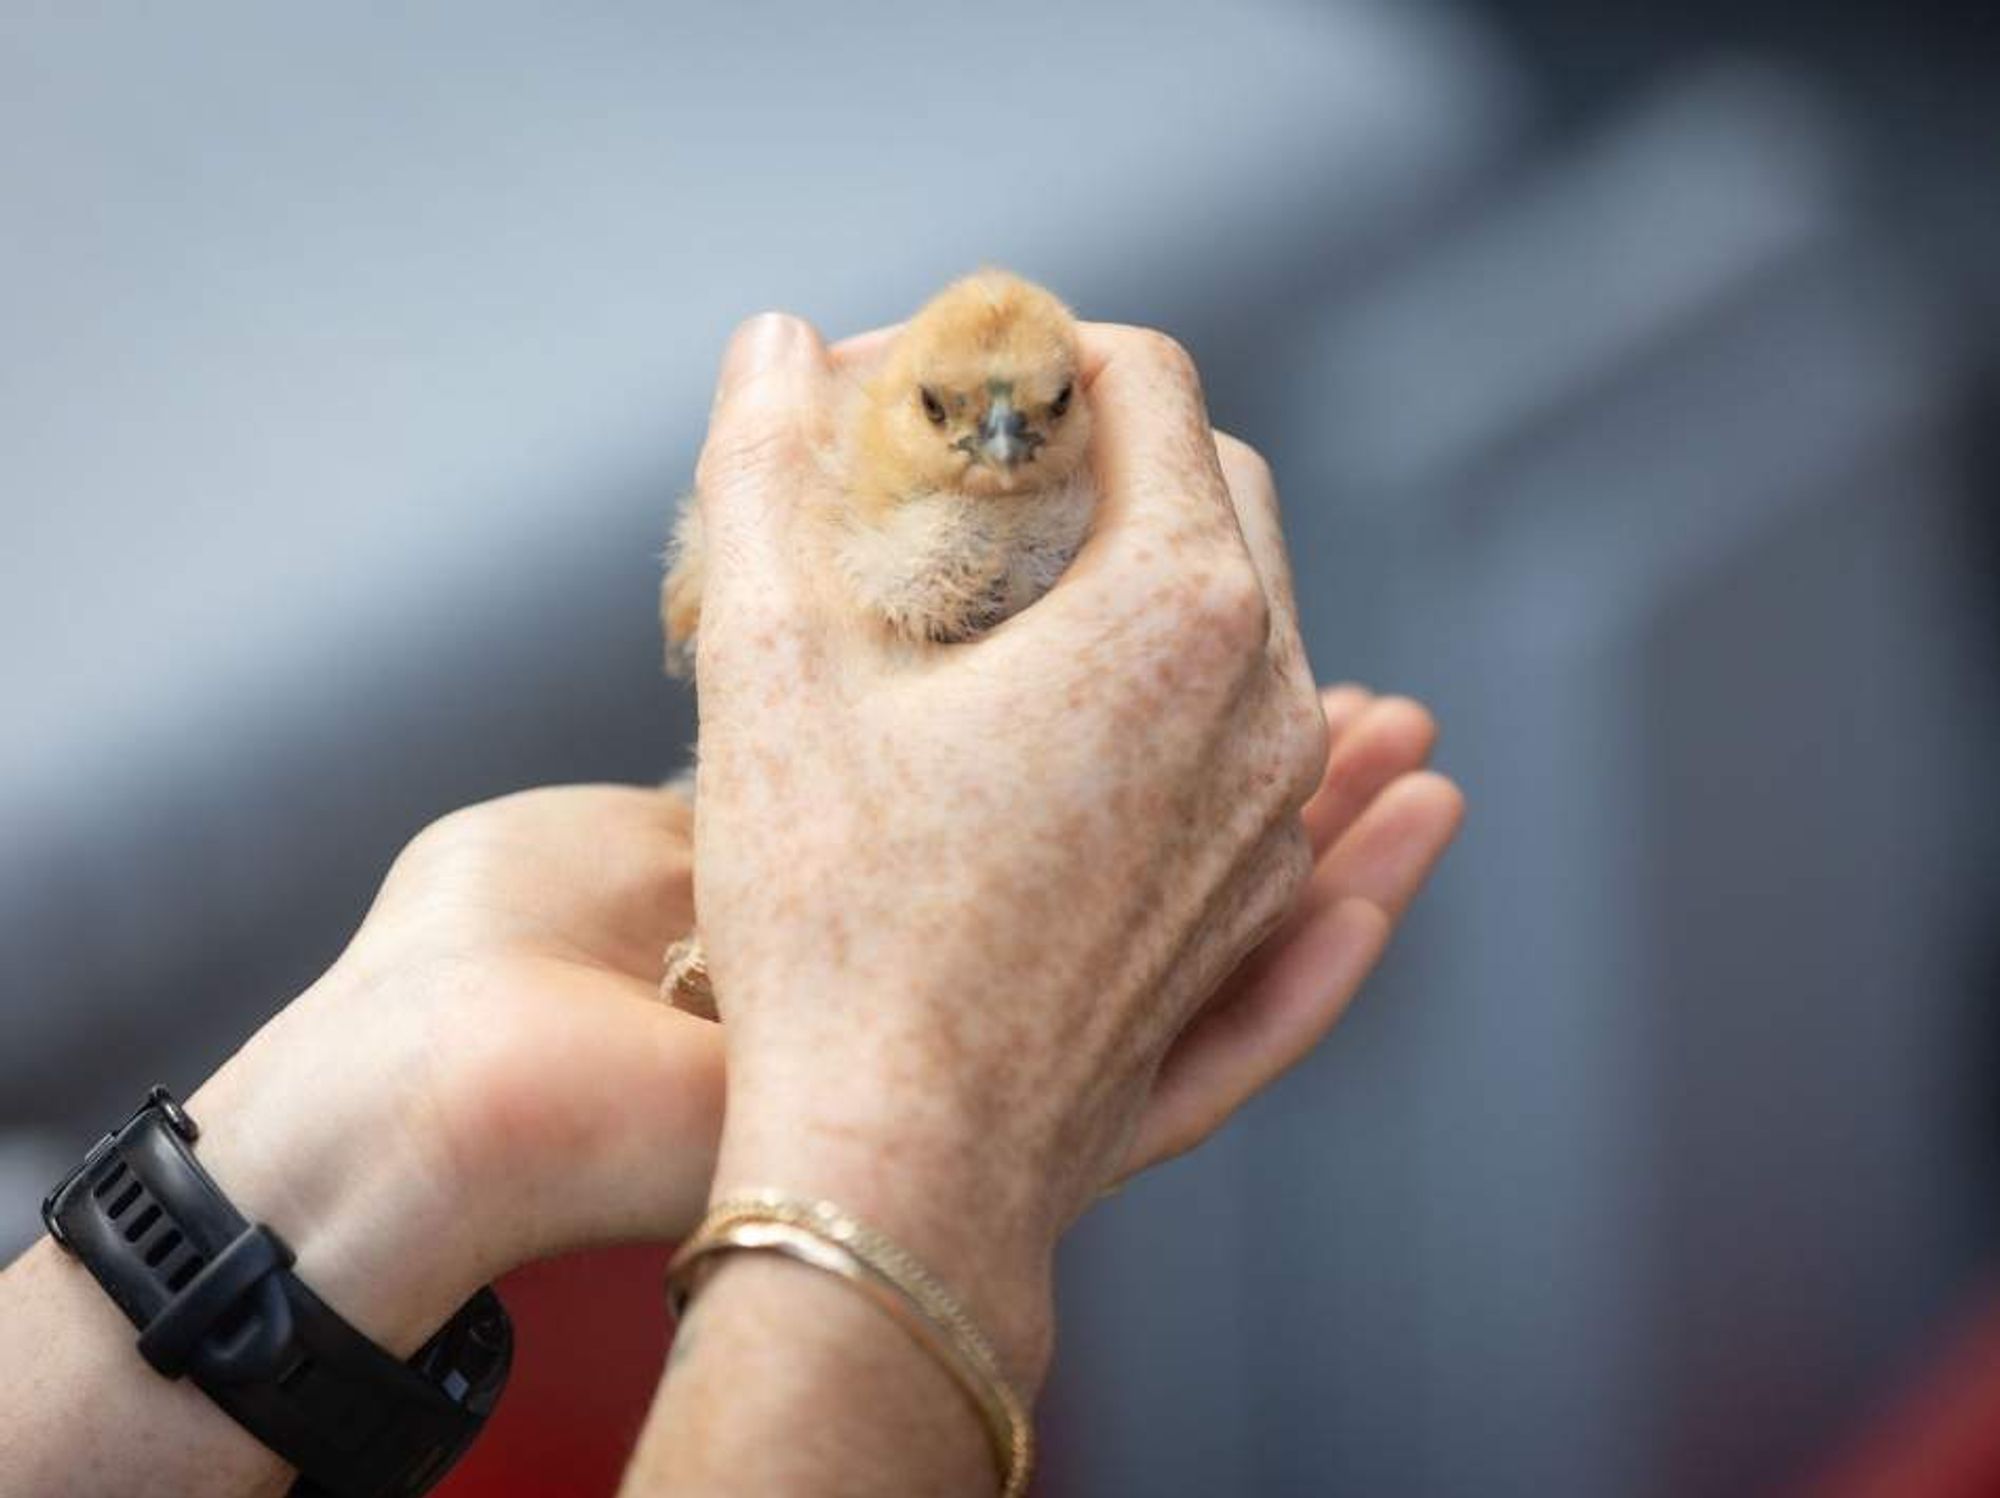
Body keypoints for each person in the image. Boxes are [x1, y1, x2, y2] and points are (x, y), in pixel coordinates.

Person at [0, 314, 1462, 1496]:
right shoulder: (861, 512)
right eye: (956, 412)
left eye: (1039, 410)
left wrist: (410, 1120)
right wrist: (916, 1153)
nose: (1004, 443)